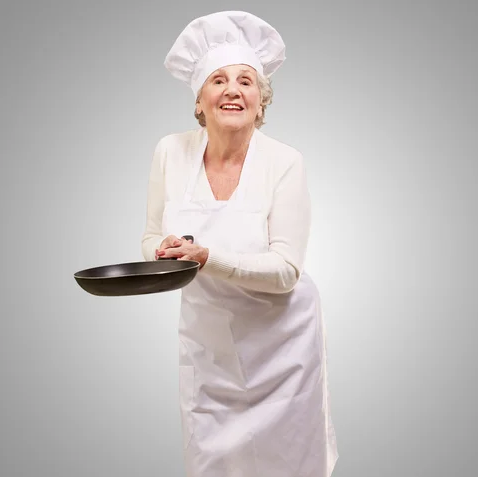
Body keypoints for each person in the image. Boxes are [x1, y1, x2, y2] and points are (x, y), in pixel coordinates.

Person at [141, 11, 339, 477]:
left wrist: (205, 257)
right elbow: (150, 237)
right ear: (200, 100)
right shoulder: (170, 151)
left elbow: (286, 270)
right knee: (212, 461)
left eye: (246, 81)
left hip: (282, 349)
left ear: (261, 100)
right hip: (209, 346)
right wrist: (163, 251)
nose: (233, 90)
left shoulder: (285, 161)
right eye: (219, 80)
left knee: (287, 463)